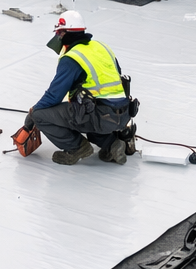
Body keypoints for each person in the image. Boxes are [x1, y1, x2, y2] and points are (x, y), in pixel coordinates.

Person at [24, 11, 137, 166]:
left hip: (99, 117)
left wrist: (33, 113)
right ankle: (112, 145)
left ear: (64, 33)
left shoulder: (72, 58)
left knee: (42, 115)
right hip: (123, 115)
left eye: (59, 32)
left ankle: (77, 148)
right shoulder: (101, 46)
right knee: (85, 109)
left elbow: (54, 96)